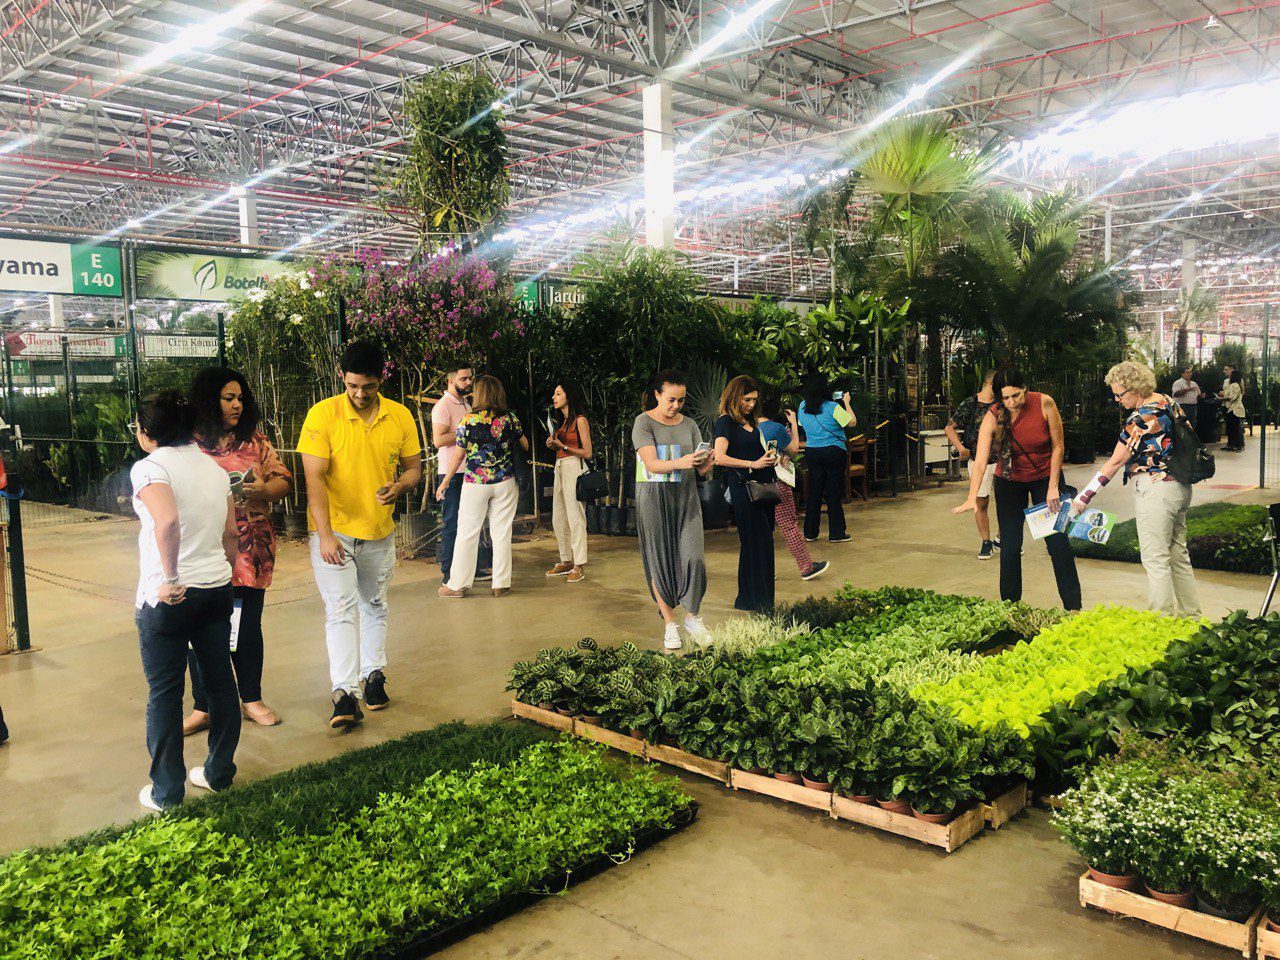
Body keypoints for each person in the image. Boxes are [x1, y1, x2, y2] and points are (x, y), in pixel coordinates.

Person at [298, 340, 423, 730]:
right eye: (352, 385)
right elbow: (314, 479)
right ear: (343, 377)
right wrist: (324, 535)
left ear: (380, 379)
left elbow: (414, 469)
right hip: (334, 533)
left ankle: (373, 676)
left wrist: (400, 486)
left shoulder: (399, 415)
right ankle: (344, 694)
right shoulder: (322, 415)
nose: (360, 393)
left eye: (368, 386)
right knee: (340, 610)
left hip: (379, 531)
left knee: (375, 603)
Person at [130, 390, 240, 811]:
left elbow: (168, 520)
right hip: (216, 588)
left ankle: (167, 793)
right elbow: (231, 533)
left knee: (164, 692)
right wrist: (223, 572)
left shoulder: (150, 468)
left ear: (147, 431)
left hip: (169, 597)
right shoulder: (214, 468)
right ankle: (218, 773)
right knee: (220, 682)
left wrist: (172, 577)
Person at [183, 367, 292, 736]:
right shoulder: (187, 445)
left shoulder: (254, 441)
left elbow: (283, 479)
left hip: (249, 552)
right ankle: (203, 706)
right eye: (228, 398)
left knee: (245, 627)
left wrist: (263, 490)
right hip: (202, 552)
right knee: (199, 632)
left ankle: (251, 699)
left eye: (240, 398)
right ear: (208, 400)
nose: (237, 405)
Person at [1071, 362, 1201, 616]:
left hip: (1156, 491)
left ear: (1136, 389)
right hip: (1180, 487)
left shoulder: (1141, 418)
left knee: (1155, 559)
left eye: (1119, 394)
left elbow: (1115, 462)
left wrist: (1085, 496)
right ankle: (1192, 618)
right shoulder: (1166, 401)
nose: (1117, 400)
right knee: (1178, 555)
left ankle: (1161, 622)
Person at [952, 369, 1082, 611]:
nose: (1011, 402)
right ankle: (1010, 609)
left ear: (1025, 388)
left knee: (1058, 544)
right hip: (1009, 480)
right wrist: (972, 496)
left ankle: (1074, 608)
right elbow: (980, 461)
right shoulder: (993, 414)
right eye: (1005, 398)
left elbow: (1058, 446)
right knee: (1010, 547)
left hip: (1046, 479)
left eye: (1016, 396)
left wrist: (1053, 487)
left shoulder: (1044, 402)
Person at [633, 370, 716, 649]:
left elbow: (697, 467)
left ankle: (693, 617)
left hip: (686, 498)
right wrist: (683, 462)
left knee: (694, 558)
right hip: (654, 500)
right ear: (657, 394)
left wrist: (704, 466)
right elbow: (652, 464)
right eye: (671, 399)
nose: (676, 405)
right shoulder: (643, 423)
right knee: (659, 561)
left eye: (681, 400)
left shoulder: (690, 424)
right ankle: (670, 623)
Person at [437, 376, 529, 599]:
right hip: (505, 481)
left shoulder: (468, 421)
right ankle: (501, 584)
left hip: (476, 483)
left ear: (479, 394)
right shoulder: (510, 419)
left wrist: (446, 480)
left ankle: (458, 585)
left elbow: (458, 455)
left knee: (467, 533)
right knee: (502, 533)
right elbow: (524, 445)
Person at [714, 375, 780, 614]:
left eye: (754, 400)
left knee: (761, 543)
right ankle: (759, 601)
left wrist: (770, 459)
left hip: (763, 488)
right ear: (735, 397)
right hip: (744, 488)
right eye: (747, 399)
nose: (751, 404)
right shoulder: (725, 422)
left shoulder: (750, 421)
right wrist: (753, 464)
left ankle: (750, 599)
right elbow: (719, 457)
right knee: (757, 542)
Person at [432, 361, 492, 584]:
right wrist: (466, 431)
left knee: (471, 523)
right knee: (452, 523)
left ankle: (471, 569)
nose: (468, 382)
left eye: (470, 378)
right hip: (452, 472)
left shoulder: (467, 405)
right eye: (463, 379)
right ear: (451, 381)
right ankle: (448, 573)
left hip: (471, 471)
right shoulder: (442, 406)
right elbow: (438, 440)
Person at [758, 397, 828, 582]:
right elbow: (794, 449)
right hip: (777, 481)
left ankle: (764, 570)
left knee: (762, 529)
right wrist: (794, 424)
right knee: (789, 525)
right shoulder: (776, 428)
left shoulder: (748, 428)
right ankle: (806, 567)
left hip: (755, 484)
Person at [945, 369, 1001, 560]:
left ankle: (1003, 538)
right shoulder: (971, 403)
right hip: (978, 460)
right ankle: (986, 542)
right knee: (981, 502)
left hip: (1001, 460)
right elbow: (949, 428)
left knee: (1006, 502)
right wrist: (961, 448)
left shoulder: (1002, 403)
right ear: (990, 383)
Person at [797, 376, 854, 543]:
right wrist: (847, 403)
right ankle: (836, 533)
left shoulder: (802, 406)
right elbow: (851, 422)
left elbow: (801, 424)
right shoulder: (832, 406)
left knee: (814, 490)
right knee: (833, 491)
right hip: (834, 450)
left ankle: (810, 532)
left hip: (812, 451)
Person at [545, 383, 592, 584]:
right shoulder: (562, 422)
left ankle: (579, 564)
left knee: (575, 517)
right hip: (561, 466)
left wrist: (562, 446)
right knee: (559, 517)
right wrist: (553, 445)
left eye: (558, 394)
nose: (554, 397)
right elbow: (562, 448)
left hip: (574, 467)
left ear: (568, 396)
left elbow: (587, 452)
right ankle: (565, 560)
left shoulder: (580, 420)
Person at [1219, 368, 1245, 452]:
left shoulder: (1234, 385)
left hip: (1234, 409)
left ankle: (1237, 445)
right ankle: (1232, 445)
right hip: (1232, 409)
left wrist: (1223, 398)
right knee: (1232, 427)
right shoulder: (1236, 385)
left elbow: (1232, 397)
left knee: (1234, 428)